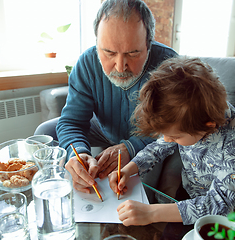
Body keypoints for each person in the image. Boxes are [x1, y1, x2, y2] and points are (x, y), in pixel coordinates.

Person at [34, 0, 177, 193]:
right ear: (97, 43)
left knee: (137, 188)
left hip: (149, 138)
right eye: (108, 52)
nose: (120, 66)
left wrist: (131, 147)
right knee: (45, 131)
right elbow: (72, 121)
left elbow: (179, 129)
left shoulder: (171, 66)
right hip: (103, 128)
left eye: (133, 53)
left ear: (148, 44)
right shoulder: (87, 62)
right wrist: (78, 153)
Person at [108, 56, 235, 226]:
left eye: (174, 137)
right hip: (192, 188)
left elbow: (221, 203)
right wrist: (128, 169)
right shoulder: (184, 119)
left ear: (208, 126)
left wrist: (151, 213)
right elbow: (158, 148)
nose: (167, 140)